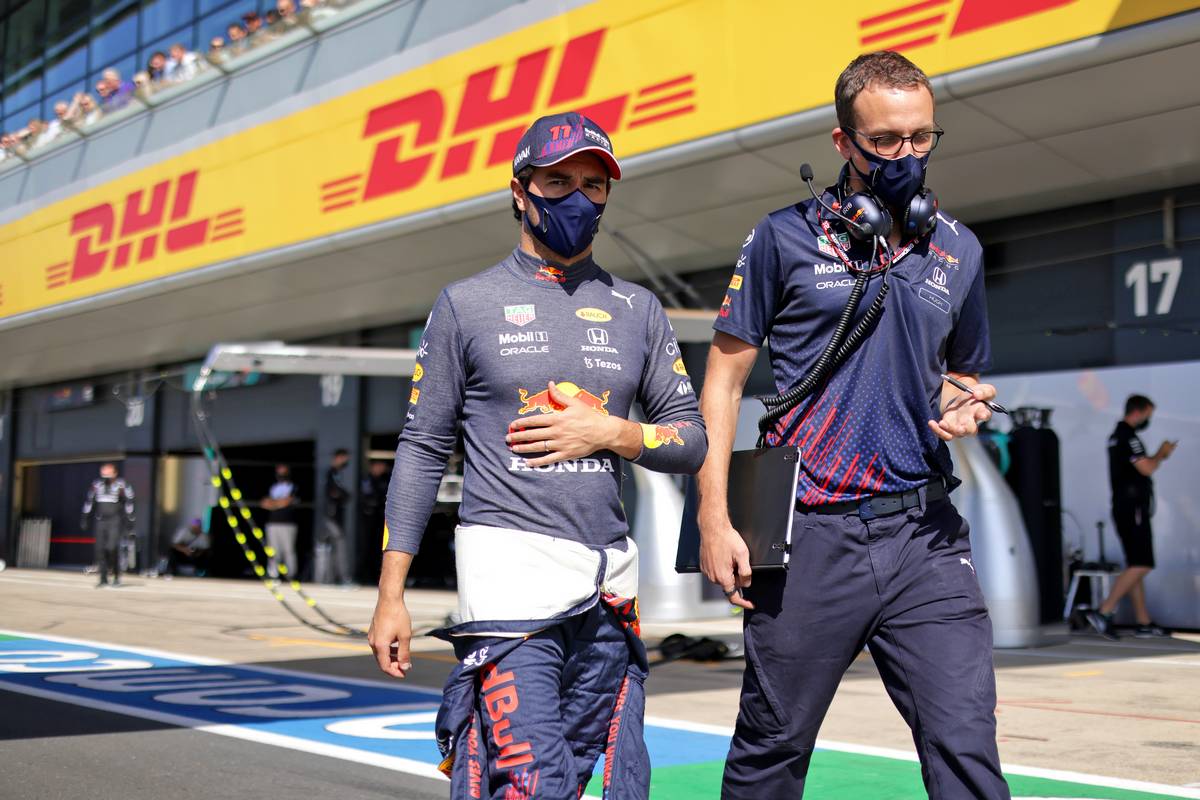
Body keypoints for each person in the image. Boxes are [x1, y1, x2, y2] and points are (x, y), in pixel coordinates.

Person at [696, 51, 1010, 799]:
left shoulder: (958, 248)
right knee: (771, 751)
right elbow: (724, 379)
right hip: (810, 539)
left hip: (925, 539)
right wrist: (713, 514)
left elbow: (964, 376)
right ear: (844, 143)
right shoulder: (781, 238)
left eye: (921, 138)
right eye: (886, 142)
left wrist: (970, 403)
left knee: (966, 743)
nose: (907, 156)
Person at [368, 111, 707, 799]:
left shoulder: (638, 309)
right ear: (521, 191)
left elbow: (690, 437)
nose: (579, 198)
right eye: (559, 181)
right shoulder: (466, 305)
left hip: (609, 589)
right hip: (508, 585)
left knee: (601, 784)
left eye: (594, 183)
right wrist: (390, 594)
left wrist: (611, 432)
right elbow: (422, 448)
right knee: (533, 783)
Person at [1087, 395, 1177, 639]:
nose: (1148, 420)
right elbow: (1146, 467)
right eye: (1148, 415)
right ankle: (1104, 611)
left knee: (1135, 563)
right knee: (1143, 563)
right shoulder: (1128, 436)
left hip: (1125, 508)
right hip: (1132, 509)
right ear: (1137, 412)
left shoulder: (1117, 435)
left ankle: (1143, 620)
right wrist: (1162, 453)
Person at [82, 463, 135, 588]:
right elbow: (89, 502)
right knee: (100, 550)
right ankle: (103, 578)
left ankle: (116, 575)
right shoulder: (96, 485)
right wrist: (85, 517)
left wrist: (130, 522)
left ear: (115, 473)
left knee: (112, 548)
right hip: (100, 521)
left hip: (115, 520)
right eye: (103, 473)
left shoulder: (122, 485)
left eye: (108, 473)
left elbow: (130, 503)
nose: (105, 476)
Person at [320, 448, 353, 585]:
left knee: (333, 548)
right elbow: (334, 493)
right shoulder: (331, 473)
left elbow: (344, 494)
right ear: (338, 457)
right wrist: (343, 494)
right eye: (345, 458)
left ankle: (331, 579)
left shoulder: (338, 474)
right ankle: (343, 578)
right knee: (339, 545)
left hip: (337, 516)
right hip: (331, 517)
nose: (346, 461)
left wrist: (344, 494)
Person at [263, 464, 299, 579]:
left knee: (288, 549)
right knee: (273, 550)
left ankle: (291, 574)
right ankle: (273, 574)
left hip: (287, 523)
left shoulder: (293, 486)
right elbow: (265, 503)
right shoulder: (273, 487)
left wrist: (275, 503)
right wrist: (278, 503)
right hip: (273, 523)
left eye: (283, 472)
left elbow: (287, 501)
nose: (281, 474)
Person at [359, 459, 391, 581]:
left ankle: (376, 575)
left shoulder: (385, 479)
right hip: (369, 519)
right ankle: (366, 575)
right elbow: (367, 497)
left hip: (381, 520)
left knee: (380, 548)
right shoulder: (367, 480)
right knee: (367, 547)